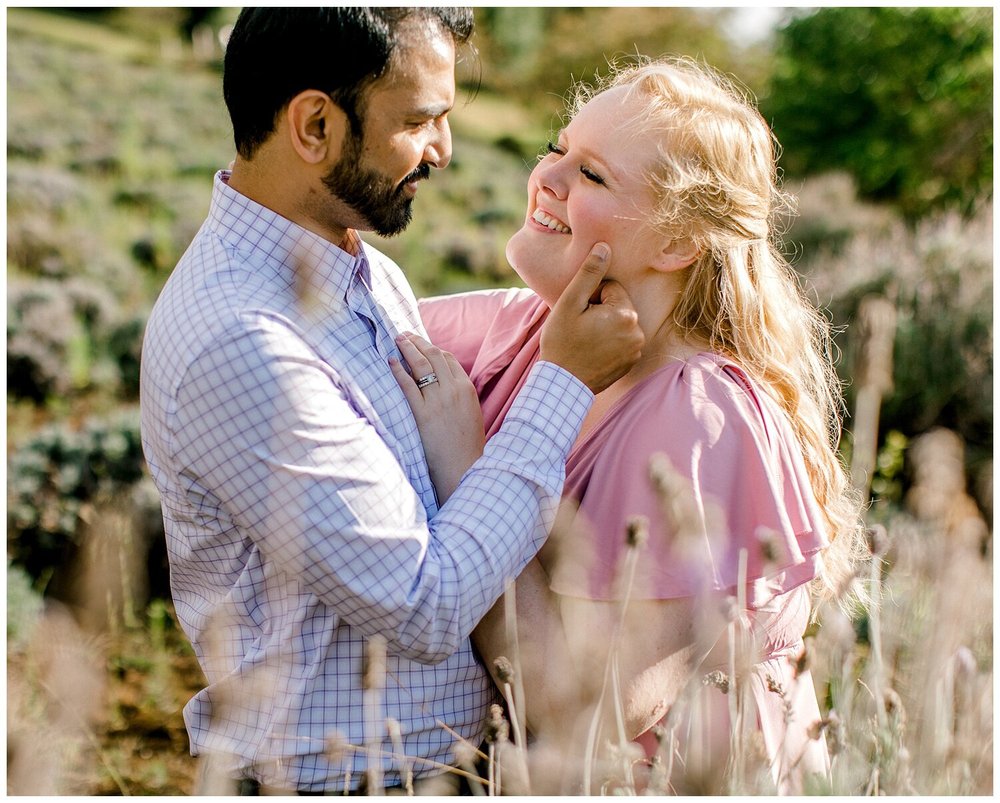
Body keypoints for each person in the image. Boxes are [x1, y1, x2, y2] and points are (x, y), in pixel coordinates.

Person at [139, 8, 644, 795]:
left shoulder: (361, 266)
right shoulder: (241, 338)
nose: (443, 151)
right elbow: (424, 601)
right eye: (419, 121)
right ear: (314, 125)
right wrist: (564, 380)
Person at [416, 57, 866, 794]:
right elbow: (344, 328)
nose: (547, 180)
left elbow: (582, 710)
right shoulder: (522, 327)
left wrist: (465, 467)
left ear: (676, 242)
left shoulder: (701, 418)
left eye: (591, 175)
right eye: (556, 149)